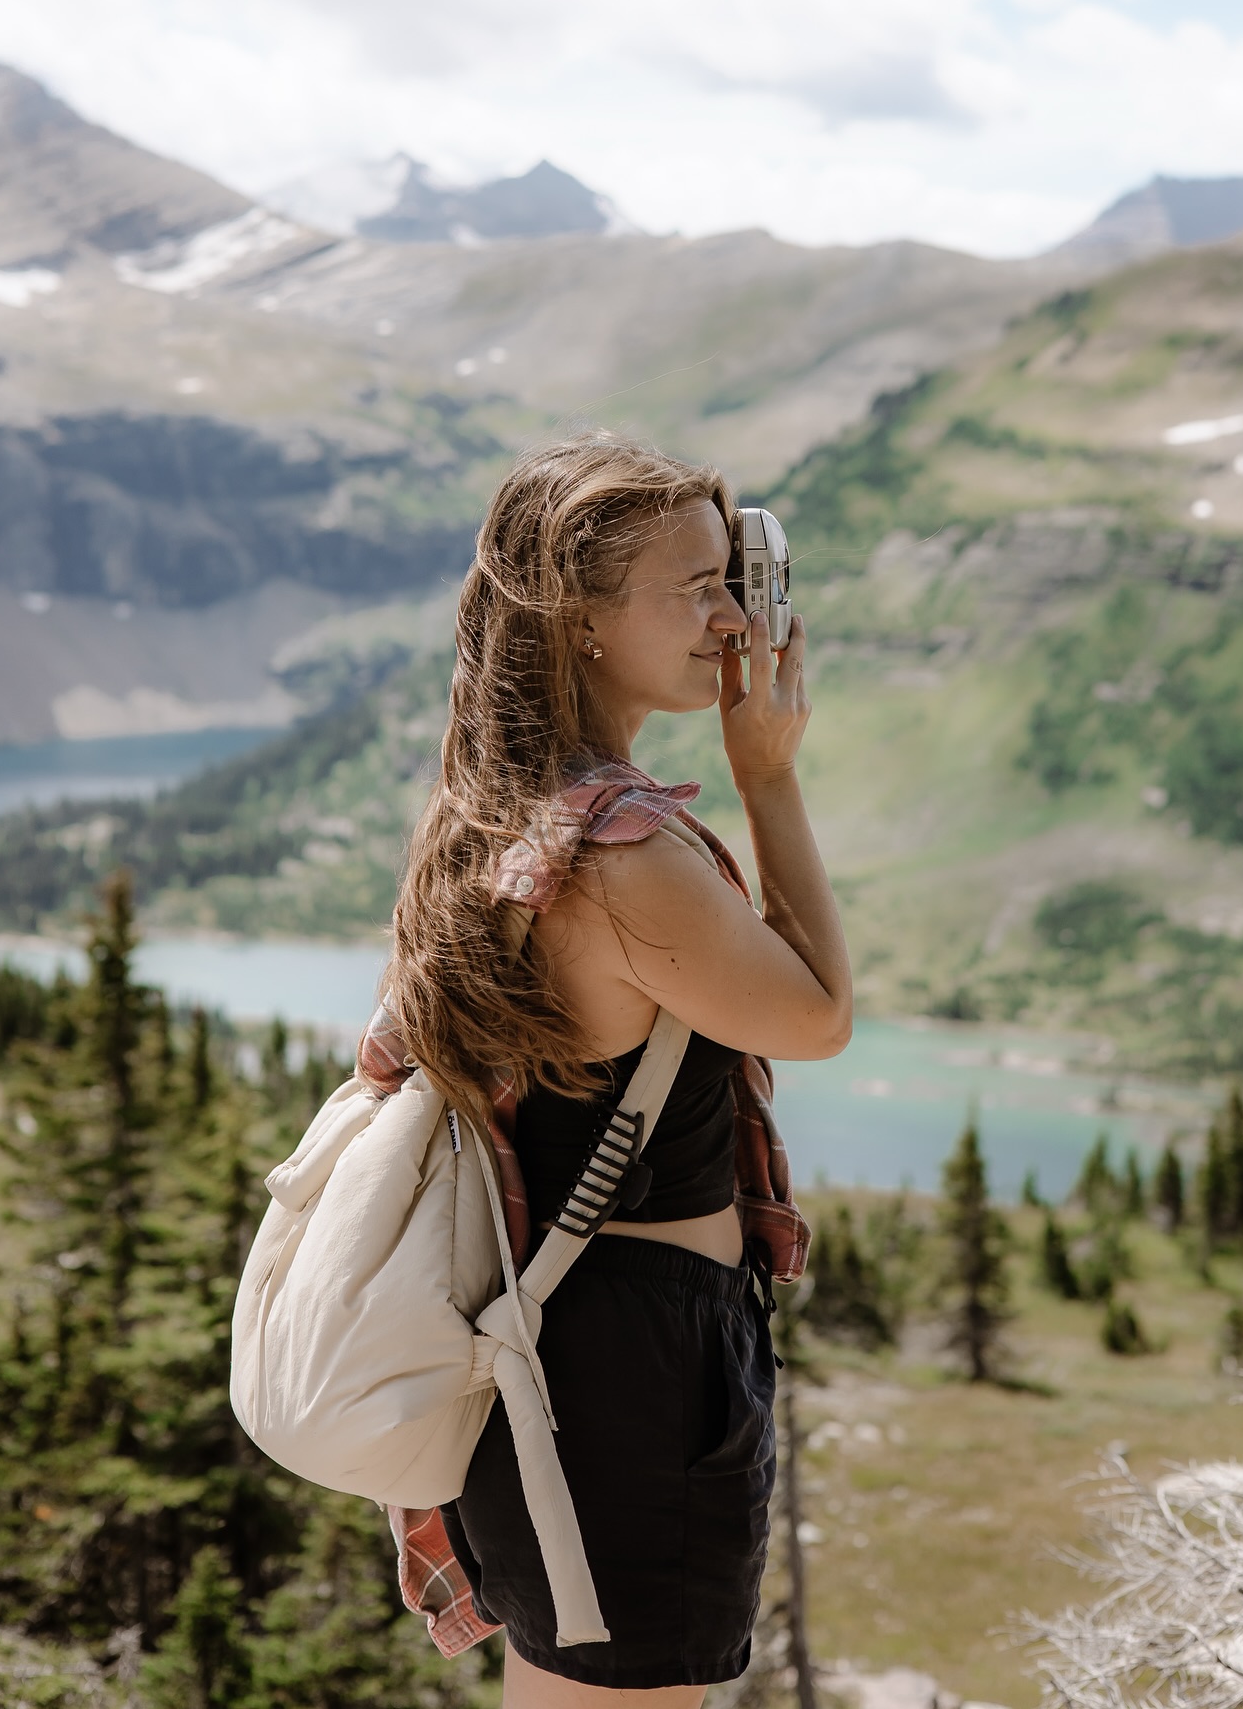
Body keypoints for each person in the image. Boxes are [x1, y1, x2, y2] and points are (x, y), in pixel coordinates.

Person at [386, 436, 853, 1707]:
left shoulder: (495, 804)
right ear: (581, 618)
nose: (733, 617)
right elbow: (816, 1014)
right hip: (637, 1370)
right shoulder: (625, 850)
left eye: (732, 577)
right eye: (694, 586)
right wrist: (769, 774)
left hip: (544, 1347)